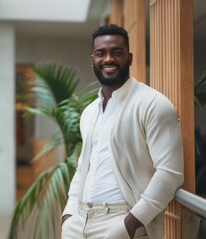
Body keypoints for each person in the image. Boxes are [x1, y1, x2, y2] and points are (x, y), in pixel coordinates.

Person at [61, 24, 184, 239]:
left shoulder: (153, 104)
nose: (108, 59)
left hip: (121, 221)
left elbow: (169, 174)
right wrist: (68, 215)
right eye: (101, 53)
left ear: (130, 58)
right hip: (78, 222)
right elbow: (83, 168)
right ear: (93, 60)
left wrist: (129, 225)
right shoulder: (89, 112)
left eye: (117, 52)